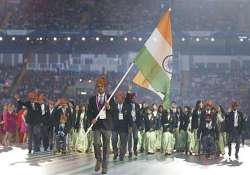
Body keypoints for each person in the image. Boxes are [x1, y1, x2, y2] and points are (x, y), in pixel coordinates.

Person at [87, 76, 112, 174]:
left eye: (102, 86)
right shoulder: (92, 99)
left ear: (105, 87)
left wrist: (109, 107)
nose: (100, 88)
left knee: (106, 146)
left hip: (107, 126)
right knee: (96, 143)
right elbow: (89, 112)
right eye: (98, 86)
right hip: (96, 125)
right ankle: (98, 159)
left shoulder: (110, 98)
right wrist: (91, 119)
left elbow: (114, 112)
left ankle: (105, 166)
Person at [111, 91, 132, 161]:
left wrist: (131, 126)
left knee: (123, 142)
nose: (118, 99)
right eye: (117, 98)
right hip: (115, 127)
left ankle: (121, 155)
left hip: (124, 127)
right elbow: (110, 115)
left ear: (123, 99)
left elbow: (130, 117)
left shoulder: (127, 107)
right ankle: (115, 152)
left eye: (120, 98)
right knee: (113, 140)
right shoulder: (113, 106)